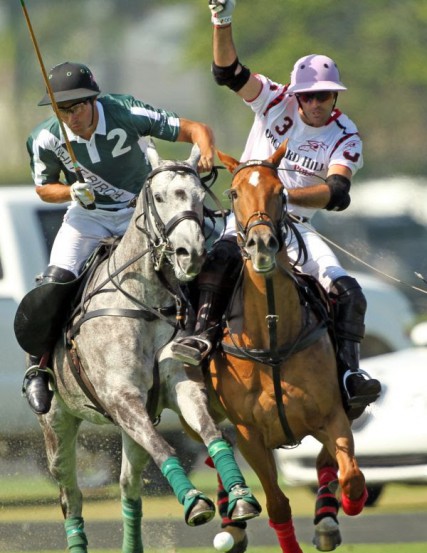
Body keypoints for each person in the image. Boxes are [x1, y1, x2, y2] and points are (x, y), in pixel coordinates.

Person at [171, 0, 381, 419]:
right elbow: (227, 72)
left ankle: (349, 375)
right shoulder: (275, 100)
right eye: (309, 96)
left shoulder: (345, 132)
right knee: (212, 264)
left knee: (349, 292)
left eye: (325, 95)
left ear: (335, 95)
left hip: (297, 227)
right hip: (245, 219)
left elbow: (337, 190)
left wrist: (282, 197)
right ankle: (199, 339)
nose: (317, 103)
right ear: (297, 95)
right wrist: (222, 20)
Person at [22, 60, 216, 415]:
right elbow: (41, 188)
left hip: (141, 215)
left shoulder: (124, 111)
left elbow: (195, 128)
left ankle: (208, 340)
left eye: (76, 107)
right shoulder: (45, 137)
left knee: (203, 260)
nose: (71, 117)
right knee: (55, 281)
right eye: (61, 109)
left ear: (92, 100)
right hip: (87, 218)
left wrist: (205, 152)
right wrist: (69, 192)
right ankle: (39, 367)